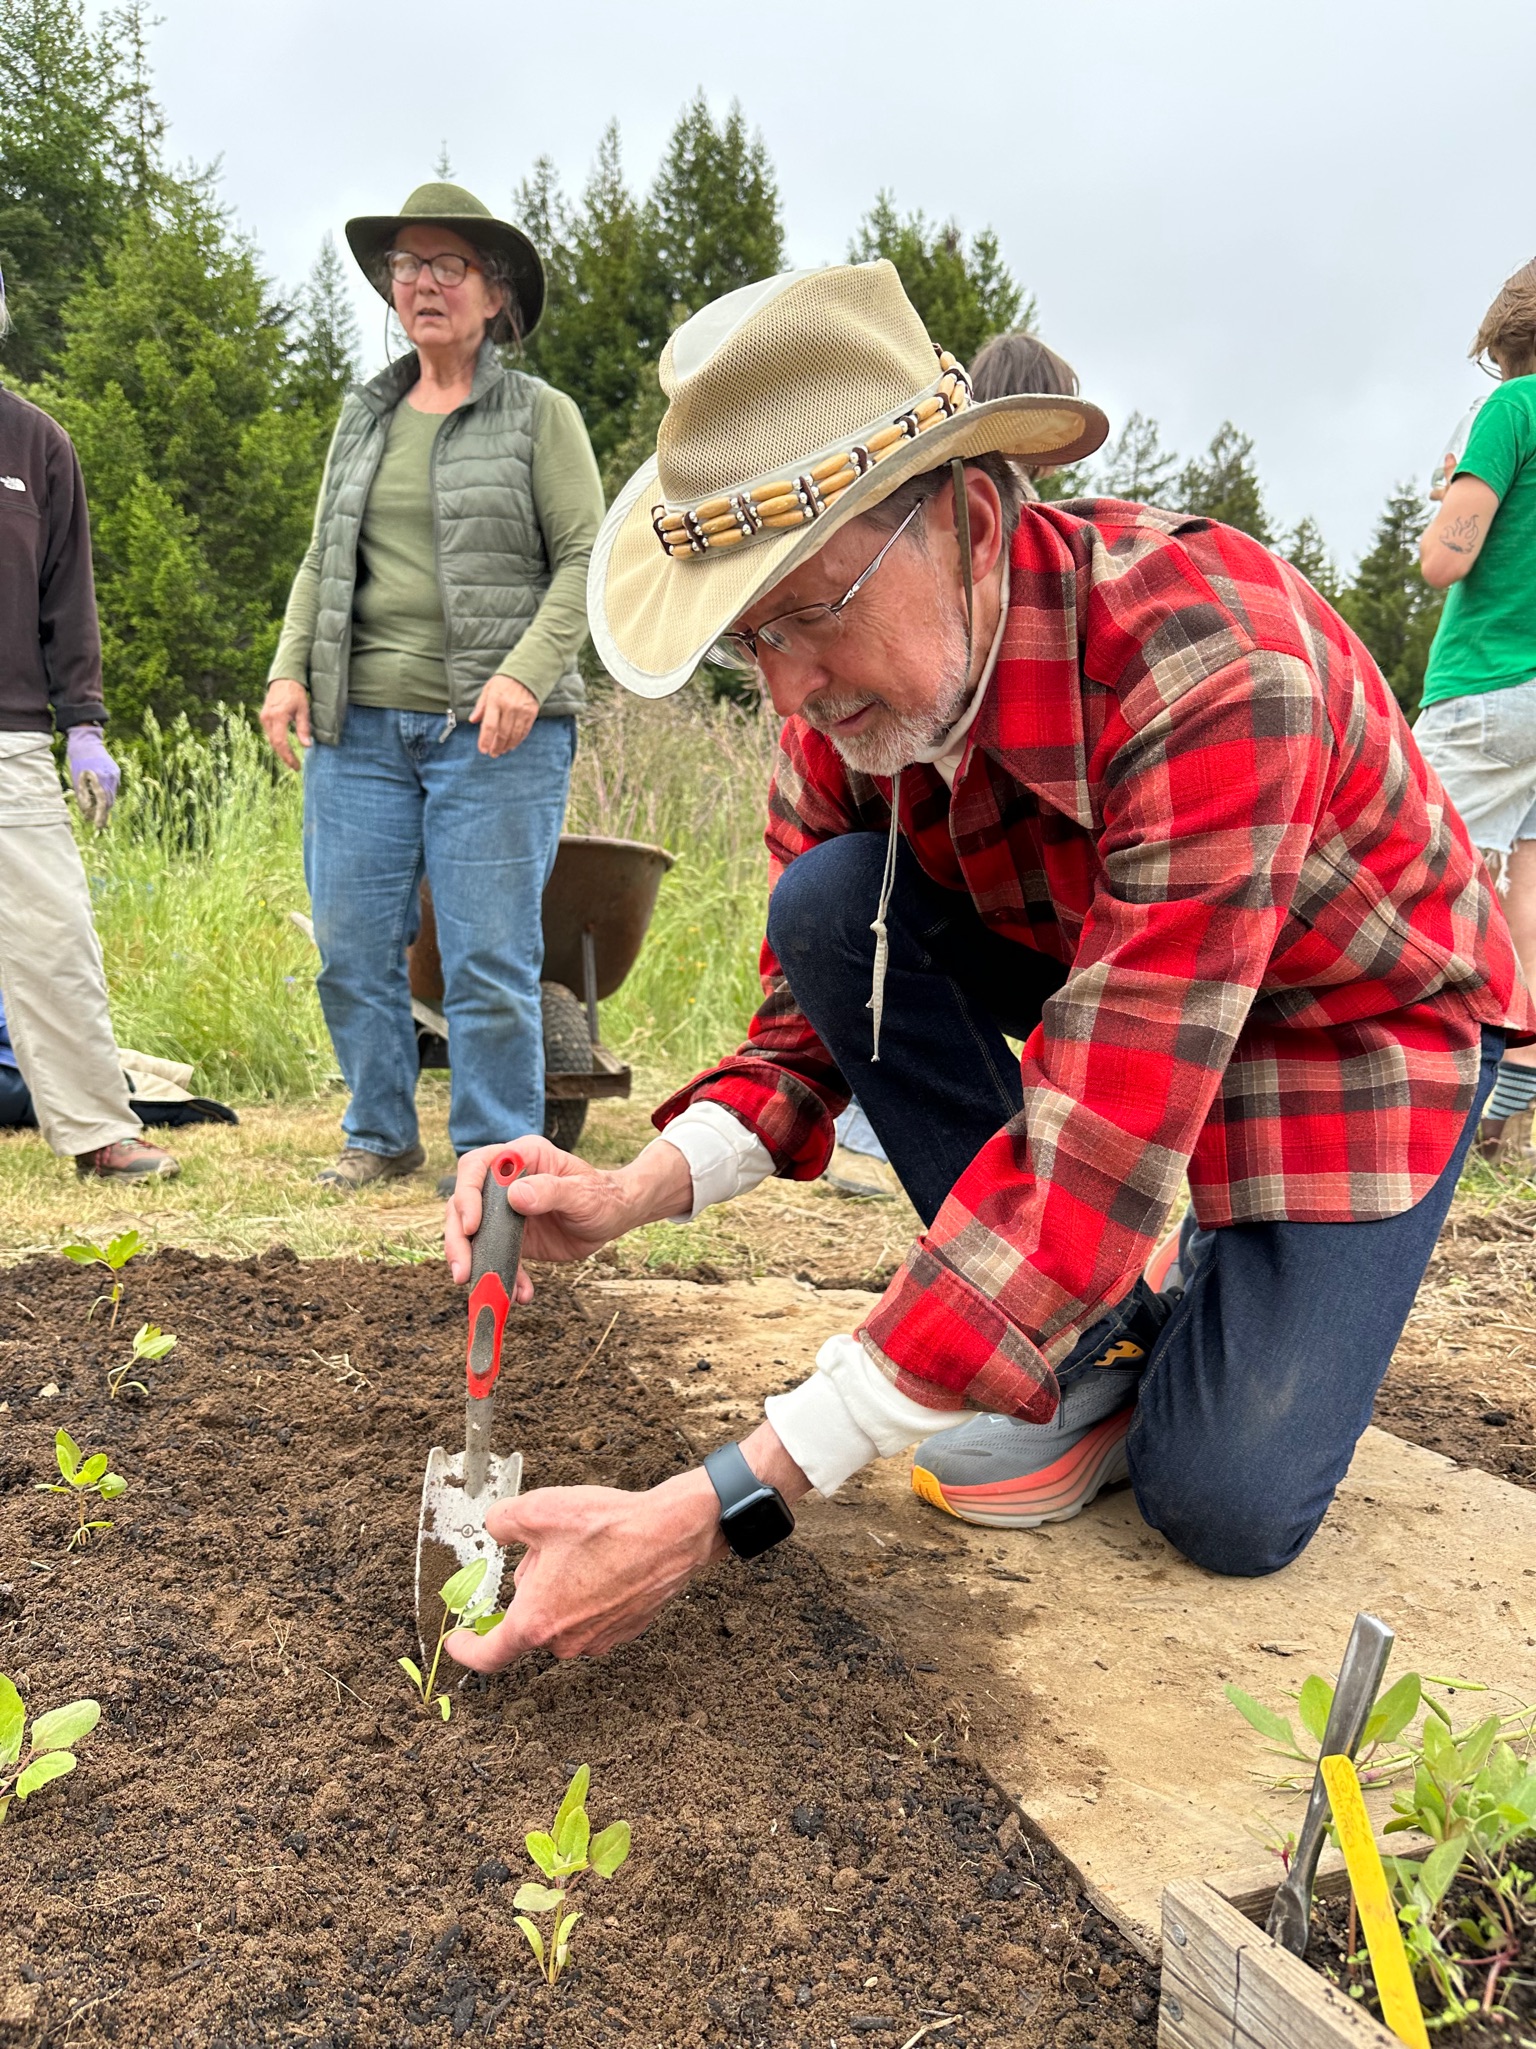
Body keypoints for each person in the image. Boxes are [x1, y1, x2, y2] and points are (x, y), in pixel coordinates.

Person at [438, 260, 1529, 1675]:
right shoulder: (847, 712)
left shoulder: (1209, 661)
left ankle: (1154, 1315)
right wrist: (630, 1190)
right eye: (749, 641)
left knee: (1226, 1501)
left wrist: (721, 1504)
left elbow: (1094, 1149)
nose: (791, 689)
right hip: (1122, 985)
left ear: (961, 515)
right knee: (839, 905)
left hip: (1346, 1025)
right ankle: (1089, 1331)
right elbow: (801, 1029)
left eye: (810, 611)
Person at [260, 183, 604, 1195]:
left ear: (495, 295)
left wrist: (524, 675)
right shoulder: (365, 415)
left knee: (489, 957)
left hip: (494, 732)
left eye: (447, 266)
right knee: (352, 948)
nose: (422, 284)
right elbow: (325, 561)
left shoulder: (543, 417)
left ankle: (493, 1151)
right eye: (406, 266)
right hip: (357, 725)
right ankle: (377, 1132)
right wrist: (289, 667)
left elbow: (586, 559)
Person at [0, 263, 179, 1182]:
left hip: (12, 738)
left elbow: (68, 600)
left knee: (56, 939)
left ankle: (97, 1128)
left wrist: (85, 725)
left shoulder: (37, 445)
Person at [1414, 257, 1536, 1163]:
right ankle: (1518, 1089)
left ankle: (1412, 1089)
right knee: (1527, 890)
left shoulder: (1513, 409)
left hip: (1487, 686)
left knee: (1404, 870)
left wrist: (1452, 494)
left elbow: (1445, 561)